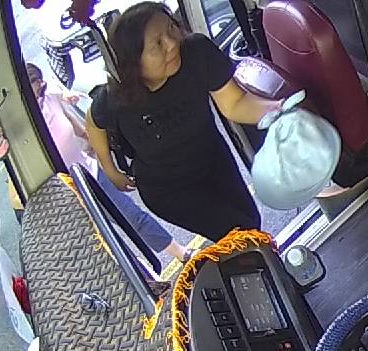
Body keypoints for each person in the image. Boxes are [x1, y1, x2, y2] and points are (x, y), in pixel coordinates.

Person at [86, 3, 282, 242]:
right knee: (239, 232)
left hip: (213, 160)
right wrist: (110, 170)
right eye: (158, 44)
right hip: (168, 189)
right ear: (133, 61)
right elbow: (94, 123)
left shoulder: (197, 53)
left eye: (171, 28)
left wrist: (277, 110)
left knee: (251, 219)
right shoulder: (116, 96)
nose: (172, 43)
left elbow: (234, 103)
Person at [25, 62, 189, 261]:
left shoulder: (50, 99)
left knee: (131, 215)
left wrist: (92, 144)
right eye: (35, 88)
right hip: (66, 195)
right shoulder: (24, 127)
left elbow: (77, 128)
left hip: (90, 174)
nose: (39, 92)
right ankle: (140, 273)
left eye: (39, 87)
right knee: (102, 241)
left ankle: (180, 252)